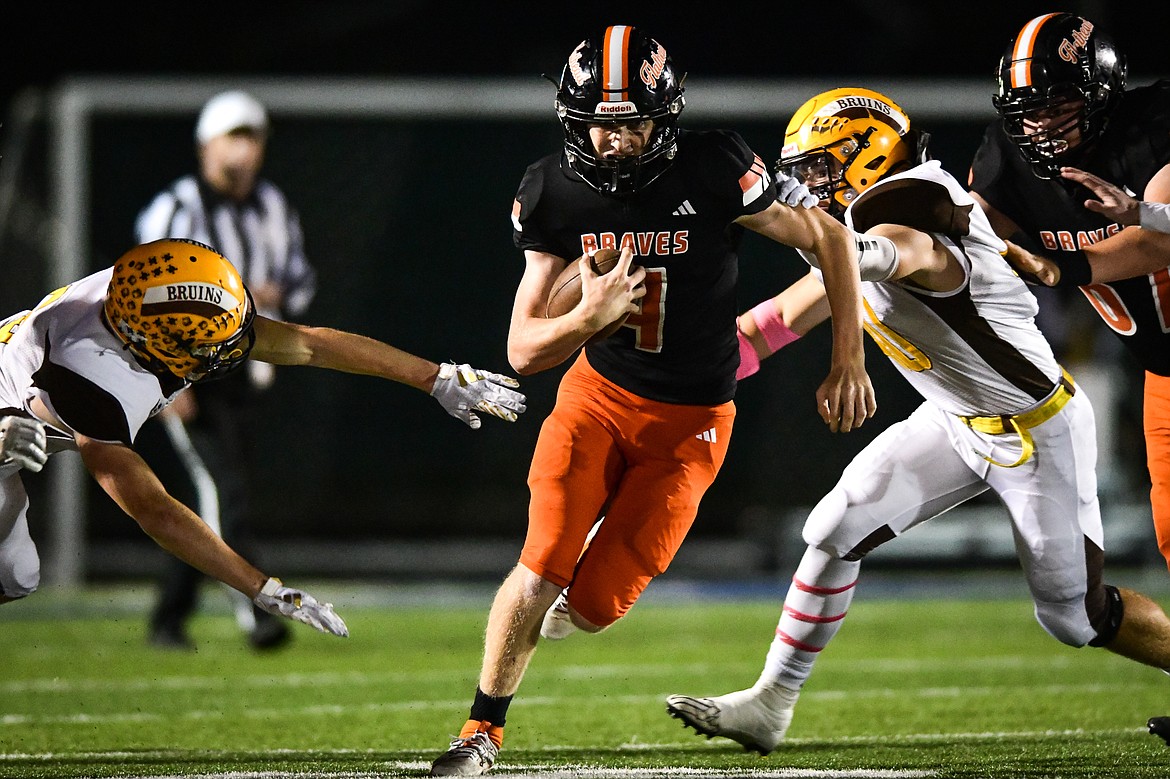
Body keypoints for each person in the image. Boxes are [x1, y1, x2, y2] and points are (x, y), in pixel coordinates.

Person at [664, 87, 1170, 754]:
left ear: (867, 155)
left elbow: (888, 254)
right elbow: (773, 325)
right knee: (834, 527)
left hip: (1036, 429)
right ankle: (769, 704)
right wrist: (663, 381)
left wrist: (811, 250)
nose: (811, 185)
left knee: (1075, 617)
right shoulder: (860, 228)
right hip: (958, 420)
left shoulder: (914, 207)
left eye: (821, 167)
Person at [427, 25, 875, 777]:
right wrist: (584, 318)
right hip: (596, 397)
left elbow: (831, 238)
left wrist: (848, 357)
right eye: (600, 122)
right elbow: (524, 349)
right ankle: (480, 730)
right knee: (540, 564)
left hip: (694, 421)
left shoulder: (716, 166)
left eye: (632, 120)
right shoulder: (551, 189)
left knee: (598, 604)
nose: (615, 140)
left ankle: (569, 608)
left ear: (664, 117)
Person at [0, 239, 525, 638]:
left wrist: (433, 377)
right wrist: (259, 587)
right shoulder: (89, 381)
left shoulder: (149, 300)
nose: (230, 353)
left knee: (16, 575)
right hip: (12, 417)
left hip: (25, 408)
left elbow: (306, 346)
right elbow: (153, 509)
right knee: (15, 565)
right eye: (211, 346)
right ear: (149, 342)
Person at [963, 12, 1170, 742]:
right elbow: (969, 232)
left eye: (1058, 105)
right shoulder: (1005, 158)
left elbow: (1155, 237)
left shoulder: (1155, 123)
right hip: (1163, 371)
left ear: (1104, 90)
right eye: (1029, 111)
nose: (1043, 125)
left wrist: (1068, 266)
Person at [134, 90, 320, 650]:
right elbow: (135, 296)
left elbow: (300, 279)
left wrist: (275, 296)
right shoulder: (176, 208)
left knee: (208, 502)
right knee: (225, 494)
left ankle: (169, 616)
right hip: (185, 373)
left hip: (243, 373)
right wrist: (161, 379)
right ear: (204, 146)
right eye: (231, 136)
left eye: (252, 137)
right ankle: (258, 614)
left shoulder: (272, 207)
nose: (243, 149)